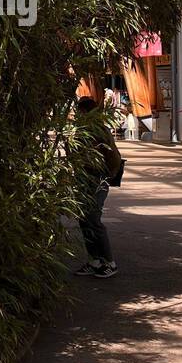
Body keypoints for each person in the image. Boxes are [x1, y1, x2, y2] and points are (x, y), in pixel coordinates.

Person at [74, 95, 122, 278]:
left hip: (97, 178)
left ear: (86, 112)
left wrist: (106, 176)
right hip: (84, 178)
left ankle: (109, 262)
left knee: (93, 218)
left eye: (80, 112)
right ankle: (94, 260)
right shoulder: (81, 130)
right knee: (84, 219)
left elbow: (114, 157)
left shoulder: (100, 131)